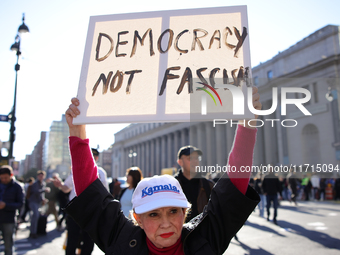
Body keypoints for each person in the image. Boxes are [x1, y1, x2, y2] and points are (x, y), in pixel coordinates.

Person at [63, 85, 261, 254]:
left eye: (173, 211)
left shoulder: (205, 238)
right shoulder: (121, 240)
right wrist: (77, 134)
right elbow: (91, 195)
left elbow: (233, 187)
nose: (166, 223)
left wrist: (247, 125)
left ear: (185, 213)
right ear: (137, 219)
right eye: (153, 214)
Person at [53, 173, 95, 255]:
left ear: (96, 159)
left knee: (88, 242)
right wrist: (60, 185)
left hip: (91, 213)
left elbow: (105, 192)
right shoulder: (75, 171)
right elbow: (67, 188)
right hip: (75, 212)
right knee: (72, 241)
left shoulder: (100, 172)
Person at [174, 145, 214, 222]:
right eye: (190, 158)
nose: (195, 161)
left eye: (197, 158)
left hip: (202, 231)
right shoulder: (172, 185)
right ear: (180, 162)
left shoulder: (208, 185)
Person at [0, 165, 24, 255]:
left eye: (6, 178)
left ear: (11, 175)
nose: (4, 180)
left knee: (8, 245)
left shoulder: (17, 187)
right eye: (2, 178)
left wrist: (6, 205)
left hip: (9, 219)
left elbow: (20, 204)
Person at [28, 170, 50, 238]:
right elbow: (36, 192)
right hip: (33, 201)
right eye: (40, 176)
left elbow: (41, 195)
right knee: (35, 216)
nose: (41, 177)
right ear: (37, 176)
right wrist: (44, 190)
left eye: (42, 176)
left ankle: (35, 231)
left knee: (36, 217)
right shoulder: (35, 184)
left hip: (38, 202)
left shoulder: (43, 183)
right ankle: (33, 232)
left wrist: (43, 199)